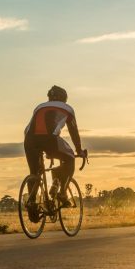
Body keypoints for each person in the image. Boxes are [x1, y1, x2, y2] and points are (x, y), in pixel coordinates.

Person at [24, 85, 86, 217]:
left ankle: (32, 204)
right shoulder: (68, 108)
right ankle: (62, 192)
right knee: (70, 158)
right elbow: (73, 131)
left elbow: (29, 128)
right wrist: (79, 150)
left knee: (35, 172)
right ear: (65, 98)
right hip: (50, 139)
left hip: (29, 140)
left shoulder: (39, 106)